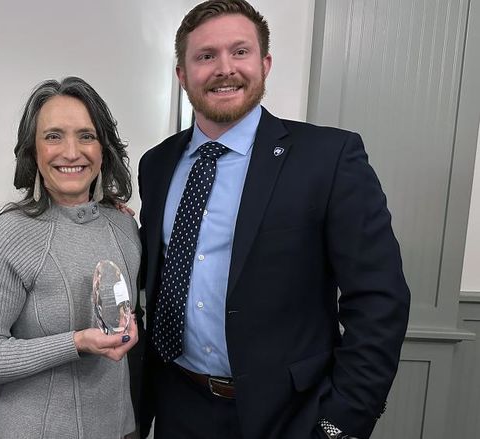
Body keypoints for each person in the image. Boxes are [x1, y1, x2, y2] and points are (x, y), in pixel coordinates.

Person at [137, 1, 411, 438]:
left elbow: (380, 300)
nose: (224, 68)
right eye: (206, 56)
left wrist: (339, 423)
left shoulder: (328, 158)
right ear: (182, 74)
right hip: (178, 406)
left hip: (290, 416)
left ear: (265, 64)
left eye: (240, 52)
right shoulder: (157, 165)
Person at [0, 76, 140, 439]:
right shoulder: (8, 235)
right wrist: (76, 343)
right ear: (33, 151)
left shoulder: (124, 227)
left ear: (103, 148)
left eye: (86, 135)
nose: (71, 152)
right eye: (53, 136)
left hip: (118, 428)